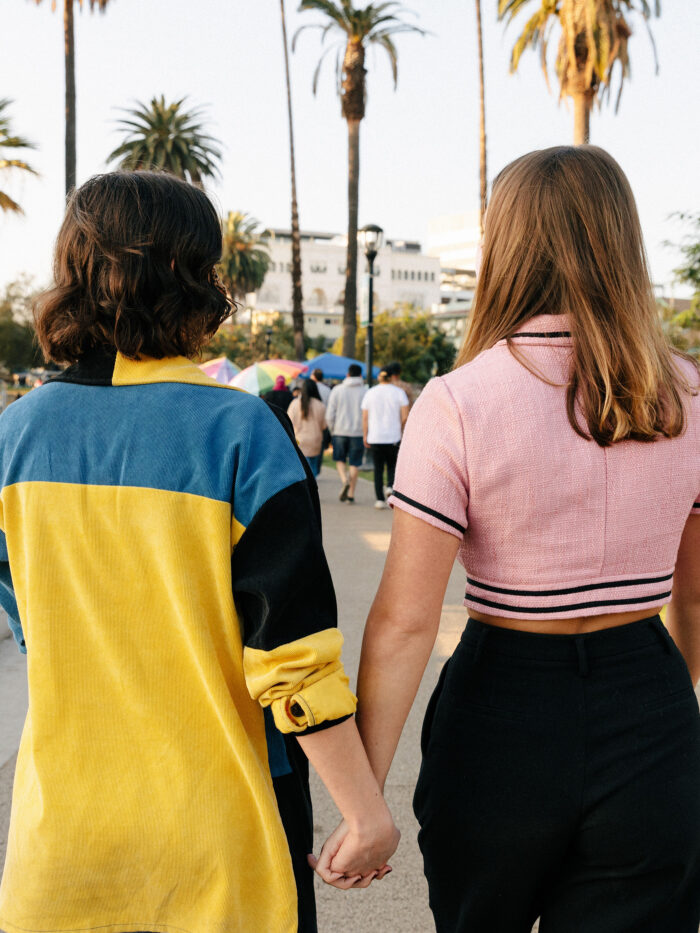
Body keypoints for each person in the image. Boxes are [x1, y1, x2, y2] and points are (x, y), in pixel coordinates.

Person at [0, 171, 399, 933]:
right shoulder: (241, 431)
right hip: (225, 832)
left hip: (63, 840)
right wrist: (365, 811)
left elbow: (24, 603)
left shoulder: (15, 436)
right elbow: (291, 654)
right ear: (193, 279)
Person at [355, 146, 700, 932]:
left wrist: (364, 796)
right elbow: (695, 589)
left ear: (503, 246)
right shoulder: (687, 394)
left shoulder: (458, 400)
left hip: (500, 709)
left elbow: (405, 621)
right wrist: (661, 703)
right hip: (647, 696)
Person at [361, 370, 409, 509]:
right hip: (393, 436)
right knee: (393, 465)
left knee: (378, 468)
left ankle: (379, 499)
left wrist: (365, 434)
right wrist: (399, 429)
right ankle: (390, 487)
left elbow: (365, 417)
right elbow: (405, 415)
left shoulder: (370, 392)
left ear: (378, 378)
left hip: (375, 437)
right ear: (391, 378)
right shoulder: (399, 392)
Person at [326, 363, 367, 504]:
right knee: (355, 463)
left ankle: (344, 480)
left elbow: (330, 414)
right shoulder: (365, 391)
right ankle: (351, 494)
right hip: (358, 432)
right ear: (361, 375)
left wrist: (332, 429)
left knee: (340, 460)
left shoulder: (337, 390)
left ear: (347, 374)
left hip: (340, 431)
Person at [288, 379, 327, 477]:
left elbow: (289, 422)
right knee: (313, 468)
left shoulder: (295, 404)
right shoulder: (320, 405)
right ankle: (313, 489)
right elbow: (324, 426)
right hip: (315, 441)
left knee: (303, 468)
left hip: (299, 440)